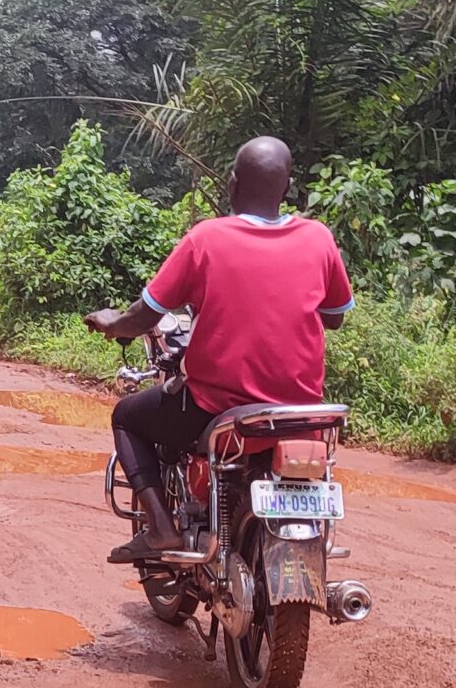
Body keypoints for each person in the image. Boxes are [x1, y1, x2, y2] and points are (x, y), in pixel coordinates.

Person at [83, 136, 353, 563]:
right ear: (287, 188)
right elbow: (334, 316)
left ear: (232, 183)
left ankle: (161, 529)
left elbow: (145, 315)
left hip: (218, 407)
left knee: (127, 417)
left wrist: (112, 322)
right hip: (299, 411)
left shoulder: (206, 238)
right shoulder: (318, 238)